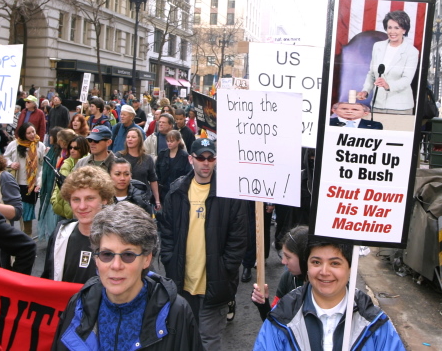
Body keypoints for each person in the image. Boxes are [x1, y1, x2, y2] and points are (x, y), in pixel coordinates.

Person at [53, 202, 202, 350]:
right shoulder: (78, 305)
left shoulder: (176, 312)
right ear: (96, 258)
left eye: (128, 255)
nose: (116, 265)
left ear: (147, 259)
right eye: (107, 254)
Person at [159, 138, 247, 350]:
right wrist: (169, 261)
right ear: (191, 159)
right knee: (184, 339)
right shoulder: (177, 191)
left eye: (210, 158)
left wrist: (226, 269)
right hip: (183, 283)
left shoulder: (230, 193)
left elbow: (239, 238)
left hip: (215, 285)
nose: (206, 163)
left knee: (209, 341)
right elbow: (167, 232)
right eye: (201, 158)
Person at [254, 239, 405, 350]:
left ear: (350, 268)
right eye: (316, 262)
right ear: (307, 266)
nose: (324, 272)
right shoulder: (283, 315)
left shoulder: (374, 322)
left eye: (335, 263)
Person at [42, 166, 114, 282]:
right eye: (76, 199)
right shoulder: (60, 234)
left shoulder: (119, 238)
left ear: (104, 199)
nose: (82, 206)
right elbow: (47, 279)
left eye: (89, 198)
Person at [356, 10, 419, 115]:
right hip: (377, 105)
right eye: (389, 27)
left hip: (400, 108)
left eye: (396, 28)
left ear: (404, 30)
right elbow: (372, 74)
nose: (392, 31)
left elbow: (407, 80)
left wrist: (387, 85)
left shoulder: (411, 52)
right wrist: (366, 90)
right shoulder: (377, 46)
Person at [251, 225, 308, 321]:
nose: (283, 261)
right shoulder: (287, 277)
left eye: (288, 257)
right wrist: (263, 304)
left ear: (304, 258)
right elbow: (274, 321)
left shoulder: (321, 287)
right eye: (283, 255)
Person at [4, 122, 46, 237]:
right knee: (13, 210)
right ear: (23, 134)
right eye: (28, 133)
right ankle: (11, 234)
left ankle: (27, 235)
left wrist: (39, 182)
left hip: (31, 184)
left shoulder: (40, 145)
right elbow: (5, 157)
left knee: (27, 211)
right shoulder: (14, 144)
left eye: (33, 132)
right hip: (16, 182)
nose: (32, 135)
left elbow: (43, 165)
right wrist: (11, 164)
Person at [115, 128, 161, 211]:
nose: (130, 139)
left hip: (143, 200)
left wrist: (157, 200)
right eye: (128, 137)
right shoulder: (119, 156)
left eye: (133, 137)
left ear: (139, 140)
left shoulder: (147, 159)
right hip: (124, 200)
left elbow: (153, 180)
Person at [51, 136, 90, 219]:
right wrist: (54, 199)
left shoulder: (88, 164)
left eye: (76, 148)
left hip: (77, 210)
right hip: (60, 206)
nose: (72, 150)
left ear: (83, 148)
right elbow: (57, 184)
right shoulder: (66, 163)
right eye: (70, 147)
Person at [38, 126, 63, 241]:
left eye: (51, 135)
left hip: (54, 189)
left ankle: (53, 240)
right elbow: (44, 170)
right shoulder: (51, 151)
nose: (49, 138)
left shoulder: (60, 154)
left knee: (53, 216)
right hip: (48, 188)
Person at [155, 130, 192, 203]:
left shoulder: (184, 156)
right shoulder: (162, 154)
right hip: (163, 192)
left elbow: (188, 175)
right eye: (167, 141)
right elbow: (156, 172)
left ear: (178, 141)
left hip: (178, 192)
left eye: (172, 141)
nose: (169, 143)